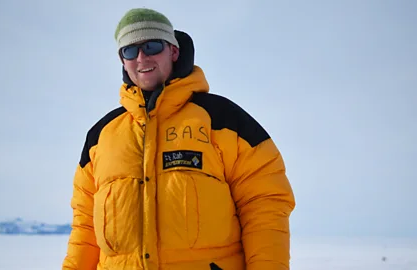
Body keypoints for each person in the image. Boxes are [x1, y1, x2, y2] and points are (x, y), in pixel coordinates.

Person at [62, 7, 295, 270]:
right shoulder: (101, 136)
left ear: (173, 51)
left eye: (151, 46)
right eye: (130, 50)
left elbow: (264, 205)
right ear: (122, 61)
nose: (141, 57)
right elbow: (85, 227)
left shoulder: (223, 120)